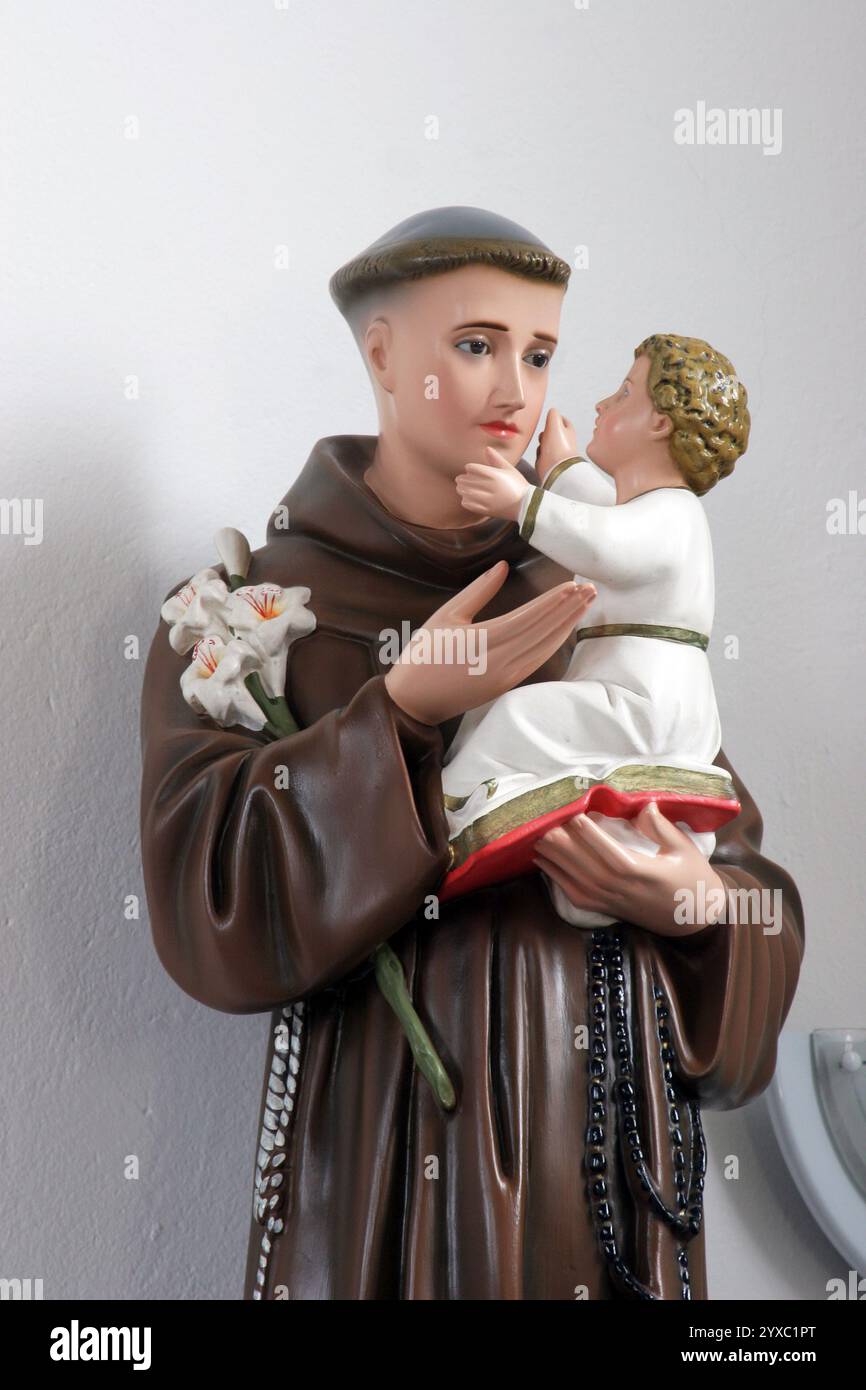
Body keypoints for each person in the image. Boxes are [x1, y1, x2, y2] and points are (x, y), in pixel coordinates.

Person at [139, 206, 804, 1300]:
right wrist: (396, 713)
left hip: (601, 1176)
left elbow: (748, 891)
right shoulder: (243, 617)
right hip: (379, 1178)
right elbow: (205, 892)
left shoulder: (590, 591)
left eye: (538, 353)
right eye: (474, 345)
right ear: (382, 354)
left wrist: (691, 904)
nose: (515, 389)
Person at [440, 337, 749, 927]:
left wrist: (523, 501)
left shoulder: (674, 513)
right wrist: (561, 469)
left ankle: (450, 816)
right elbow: (602, 512)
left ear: (659, 421)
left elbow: (606, 543)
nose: (603, 405)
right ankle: (566, 826)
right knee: (495, 716)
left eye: (623, 393)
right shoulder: (645, 505)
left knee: (517, 719)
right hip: (631, 691)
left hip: (645, 700)